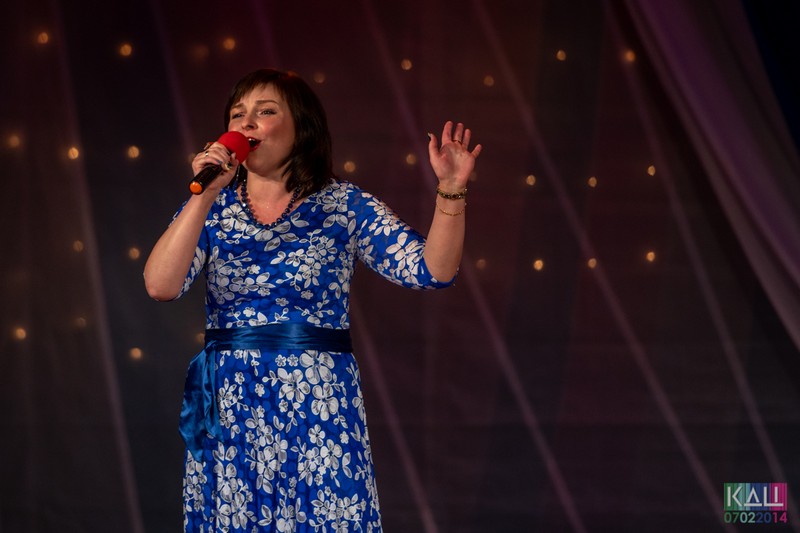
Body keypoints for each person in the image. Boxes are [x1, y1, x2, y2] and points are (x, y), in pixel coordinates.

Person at [144, 68, 481, 532]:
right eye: (238, 114)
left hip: (318, 403)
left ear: (301, 127)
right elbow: (161, 285)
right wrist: (205, 195)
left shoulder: (343, 204)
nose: (247, 122)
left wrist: (452, 188)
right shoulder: (214, 207)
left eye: (265, 111)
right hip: (232, 404)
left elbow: (431, 271)